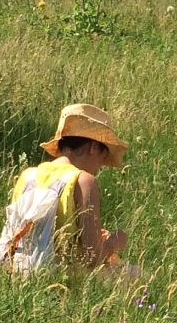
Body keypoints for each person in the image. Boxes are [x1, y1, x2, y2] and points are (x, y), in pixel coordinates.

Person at [9, 103, 129, 269]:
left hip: (20, 271)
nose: (101, 164)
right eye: (104, 155)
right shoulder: (83, 181)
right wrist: (115, 241)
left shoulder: (27, 176)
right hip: (64, 277)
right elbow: (92, 257)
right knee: (137, 275)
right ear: (94, 147)